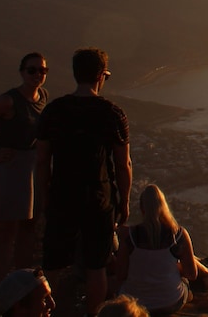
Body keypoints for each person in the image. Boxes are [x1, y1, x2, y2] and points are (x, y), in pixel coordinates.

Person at [36, 47, 132, 317]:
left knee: (53, 264)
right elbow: (123, 164)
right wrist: (123, 201)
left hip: (62, 195)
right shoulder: (112, 114)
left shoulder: (54, 111)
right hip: (98, 198)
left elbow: (42, 161)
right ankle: (94, 313)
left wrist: (45, 197)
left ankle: (44, 310)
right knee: (96, 265)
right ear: (101, 76)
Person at [0, 52, 49, 293]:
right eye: (32, 70)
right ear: (21, 71)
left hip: (33, 169)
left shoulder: (43, 97)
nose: (37, 75)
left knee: (28, 230)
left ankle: (22, 289)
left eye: (42, 71)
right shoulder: (9, 100)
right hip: (13, 169)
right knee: (5, 234)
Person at [115, 184, 208, 316]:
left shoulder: (129, 236)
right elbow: (191, 274)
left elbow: (121, 274)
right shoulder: (178, 234)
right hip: (170, 302)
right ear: (163, 206)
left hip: (135, 304)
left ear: (142, 209)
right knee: (179, 265)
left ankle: (205, 265)